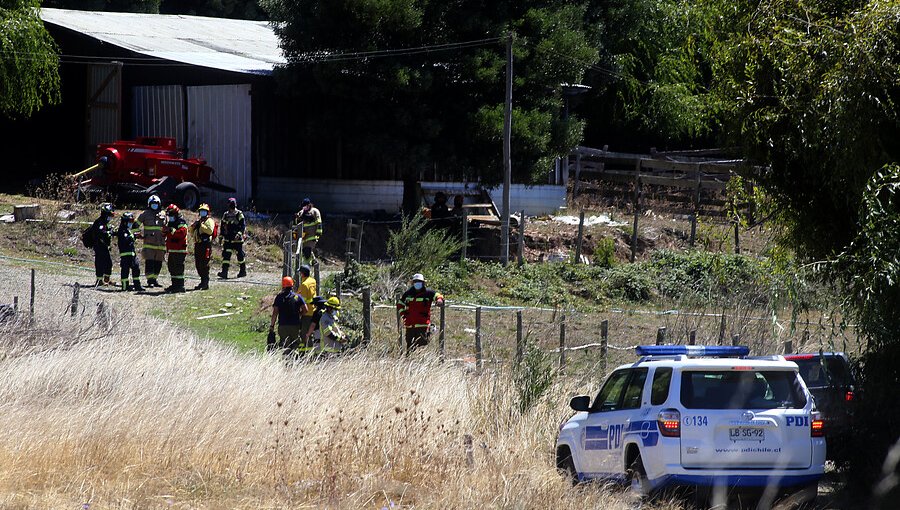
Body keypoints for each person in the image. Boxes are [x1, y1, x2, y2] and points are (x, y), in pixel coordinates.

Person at [396, 273, 444, 353]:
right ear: (413, 283)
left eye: (419, 281)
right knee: (409, 347)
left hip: (423, 325)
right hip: (410, 325)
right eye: (415, 281)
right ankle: (409, 361)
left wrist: (439, 300)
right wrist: (404, 315)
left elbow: (438, 295)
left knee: (422, 345)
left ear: (423, 283)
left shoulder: (428, 292)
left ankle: (421, 361)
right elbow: (400, 304)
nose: (417, 283)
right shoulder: (408, 293)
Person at [269, 276, 308, 354]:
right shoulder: (297, 297)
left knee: (285, 346)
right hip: (295, 325)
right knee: (295, 345)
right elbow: (306, 310)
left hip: (283, 326)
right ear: (292, 285)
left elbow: (275, 313)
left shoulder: (279, 297)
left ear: (283, 286)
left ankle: (286, 362)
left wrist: (272, 326)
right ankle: (294, 361)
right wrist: (299, 314)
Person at [135, 195, 167, 288]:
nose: (154, 205)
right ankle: (150, 281)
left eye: (156, 203)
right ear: (149, 204)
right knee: (149, 262)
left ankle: (155, 279)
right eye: (152, 204)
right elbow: (135, 225)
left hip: (160, 244)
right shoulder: (145, 214)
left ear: (159, 204)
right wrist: (137, 234)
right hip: (149, 243)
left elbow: (167, 227)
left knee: (158, 263)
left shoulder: (163, 214)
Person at [189, 203, 217, 290]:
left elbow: (209, 231)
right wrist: (193, 226)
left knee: (204, 264)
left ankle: (205, 282)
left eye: (204, 211)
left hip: (206, 245)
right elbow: (191, 233)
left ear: (207, 212)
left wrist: (201, 225)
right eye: (201, 211)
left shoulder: (209, 221)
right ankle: (202, 281)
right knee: (198, 264)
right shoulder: (198, 222)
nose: (202, 213)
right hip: (198, 244)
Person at [162, 204, 188, 293]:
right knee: (172, 267)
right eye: (169, 214)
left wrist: (171, 230)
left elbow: (182, 233)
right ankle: (174, 285)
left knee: (178, 268)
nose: (170, 216)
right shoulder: (170, 222)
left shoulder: (181, 222)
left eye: (172, 214)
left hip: (180, 250)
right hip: (172, 250)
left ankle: (180, 286)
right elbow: (167, 234)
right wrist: (164, 231)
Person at [218, 197, 247, 279]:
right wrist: (221, 237)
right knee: (226, 256)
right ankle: (224, 272)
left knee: (240, 255)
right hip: (228, 239)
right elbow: (222, 226)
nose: (232, 206)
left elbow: (243, 225)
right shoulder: (225, 215)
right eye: (230, 204)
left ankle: (242, 271)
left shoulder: (239, 213)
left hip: (237, 239)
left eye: (233, 204)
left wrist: (239, 233)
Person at [116, 211, 143, 291]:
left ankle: (137, 286)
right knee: (125, 271)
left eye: (132, 221)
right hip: (125, 255)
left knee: (136, 268)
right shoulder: (122, 230)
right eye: (130, 221)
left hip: (132, 254)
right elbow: (126, 240)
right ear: (125, 221)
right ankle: (125, 287)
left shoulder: (128, 230)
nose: (131, 223)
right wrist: (133, 236)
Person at [91, 203, 116, 287]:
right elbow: (102, 233)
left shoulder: (105, 223)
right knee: (100, 263)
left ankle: (107, 280)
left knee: (108, 263)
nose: (110, 217)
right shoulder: (99, 222)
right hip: (99, 246)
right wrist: (110, 233)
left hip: (105, 246)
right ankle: (99, 281)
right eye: (110, 214)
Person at [294, 197, 322, 267]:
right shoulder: (301, 213)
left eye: (305, 206)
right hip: (304, 237)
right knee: (305, 252)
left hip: (312, 236)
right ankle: (314, 262)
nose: (304, 208)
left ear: (309, 205)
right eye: (303, 206)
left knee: (307, 251)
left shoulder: (315, 211)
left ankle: (306, 266)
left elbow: (319, 223)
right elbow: (297, 225)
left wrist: (318, 233)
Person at [295, 264, 318, 349]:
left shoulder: (304, 285)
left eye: (300, 273)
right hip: (313, 310)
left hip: (307, 312)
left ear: (302, 274)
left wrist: (300, 312)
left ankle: (306, 353)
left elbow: (302, 301)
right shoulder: (312, 281)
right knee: (311, 333)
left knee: (305, 334)